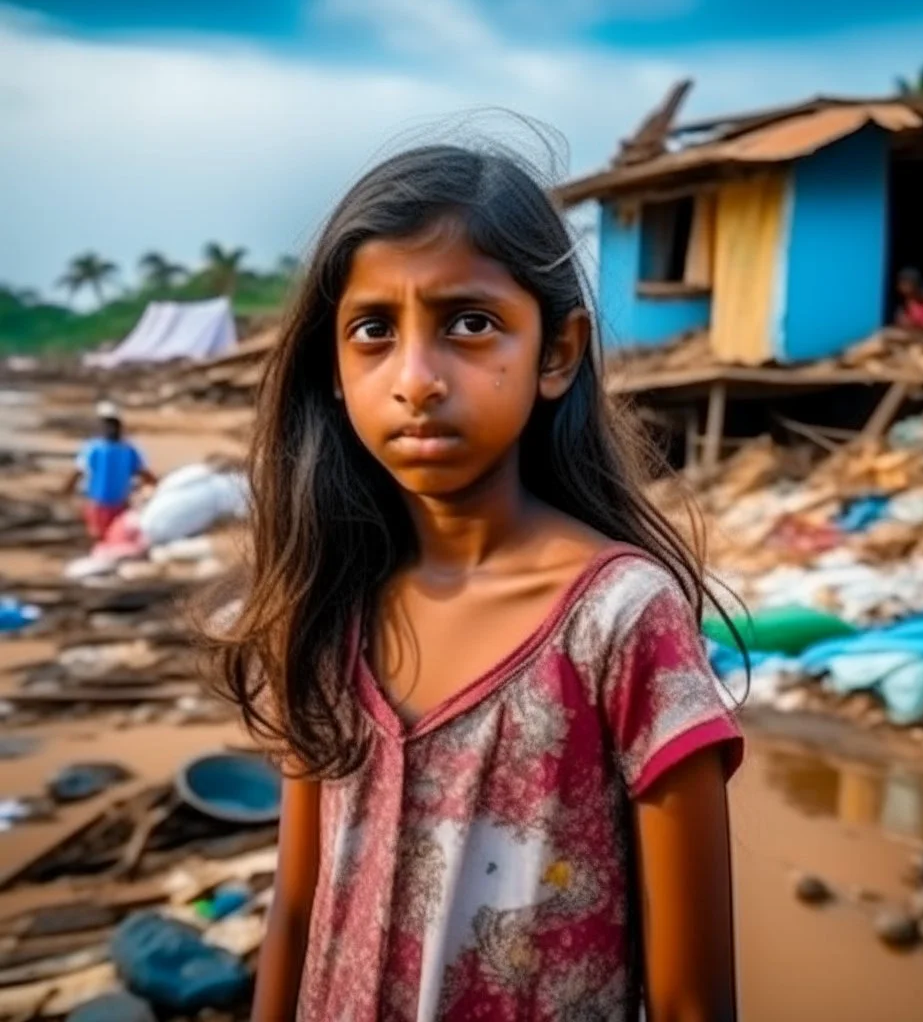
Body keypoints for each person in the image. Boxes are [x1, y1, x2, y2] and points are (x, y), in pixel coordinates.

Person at [209, 144, 744, 1021]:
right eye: (373, 330)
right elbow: (298, 912)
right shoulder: (326, 607)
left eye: (469, 324)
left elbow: (691, 998)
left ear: (557, 353)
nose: (416, 381)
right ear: (335, 373)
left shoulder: (618, 622)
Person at [65, 401, 156, 540]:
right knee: (111, 538)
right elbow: (145, 474)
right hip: (105, 504)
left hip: (108, 504)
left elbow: (78, 472)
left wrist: (66, 491)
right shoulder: (126, 449)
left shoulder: (96, 448)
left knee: (106, 538)